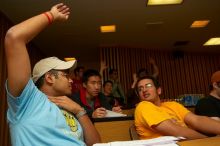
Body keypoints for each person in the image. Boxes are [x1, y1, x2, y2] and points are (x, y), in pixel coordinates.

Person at [4, 3, 100, 146]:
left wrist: (79, 111)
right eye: (65, 75)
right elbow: (14, 37)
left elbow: (96, 144)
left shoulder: (70, 105)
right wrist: (52, 15)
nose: (71, 80)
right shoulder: (27, 101)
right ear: (49, 78)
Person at [134, 76, 220, 140]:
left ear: (159, 90)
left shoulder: (172, 105)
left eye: (148, 85)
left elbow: (196, 120)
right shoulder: (143, 106)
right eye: (140, 89)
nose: (144, 90)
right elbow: (176, 131)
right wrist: (208, 141)